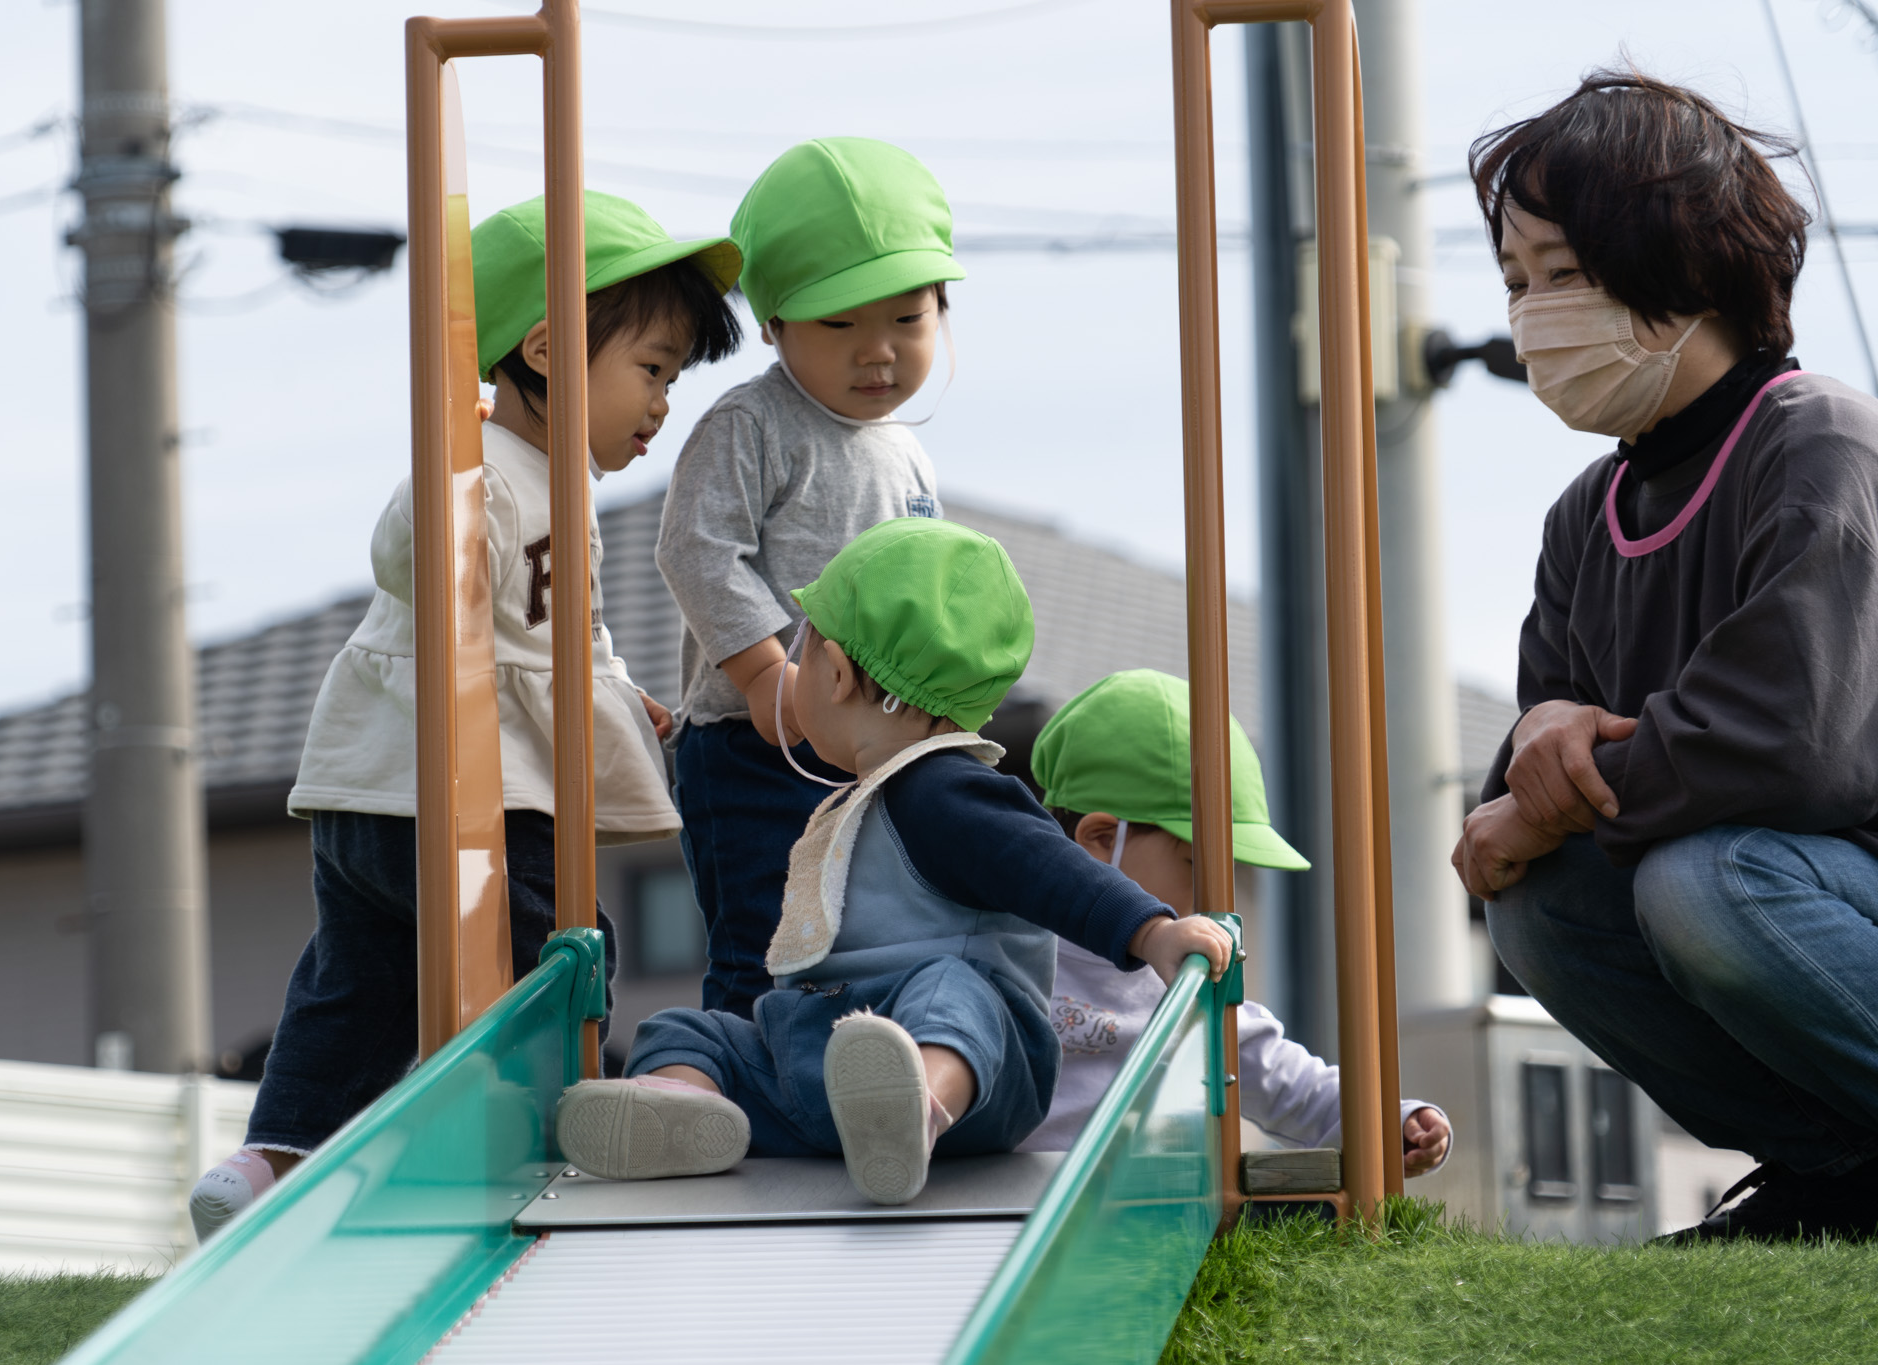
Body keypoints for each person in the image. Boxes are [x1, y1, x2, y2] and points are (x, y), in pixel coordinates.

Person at [188, 192, 744, 1239]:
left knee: (354, 989)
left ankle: (271, 1160)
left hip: (369, 787)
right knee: (561, 950)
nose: (662, 402)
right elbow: (413, 552)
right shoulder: (484, 471)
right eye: (651, 368)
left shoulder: (551, 482)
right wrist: (452, 472)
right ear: (546, 349)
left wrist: (621, 695)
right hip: (459, 791)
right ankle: (550, 1127)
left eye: (672, 378)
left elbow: (562, 632)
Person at [1450, 71, 1878, 1242]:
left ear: (1684, 265)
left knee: (1704, 879)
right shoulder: (1582, 517)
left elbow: (1782, 745)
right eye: (1514, 282)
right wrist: (1536, 749)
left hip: (1822, 879)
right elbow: (1536, 788)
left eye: (1561, 273)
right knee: (1540, 901)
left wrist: (1554, 777)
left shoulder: (1819, 445)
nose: (1531, 313)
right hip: (1780, 885)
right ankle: (1835, 1177)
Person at [554, 520, 1238, 1205]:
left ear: (836, 673)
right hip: (834, 1055)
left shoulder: (945, 788)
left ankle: (916, 1108)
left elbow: (1050, 868)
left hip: (980, 1072)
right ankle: (684, 1109)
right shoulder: (862, 796)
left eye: (802, 652)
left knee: (952, 987)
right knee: (689, 1029)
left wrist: (1151, 931)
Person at [656, 137, 964, 1018]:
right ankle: (711, 1071)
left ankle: (828, 1074)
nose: (878, 352)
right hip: (757, 743)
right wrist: (766, 676)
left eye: (907, 320)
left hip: (865, 747)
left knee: (856, 941)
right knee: (762, 940)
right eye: (839, 325)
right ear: (773, 324)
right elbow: (697, 548)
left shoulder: (907, 455)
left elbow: (917, 599)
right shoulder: (752, 423)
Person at [1020, 669, 1451, 1177]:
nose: (1212, 896)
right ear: (1100, 839)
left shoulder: (1197, 981)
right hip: (997, 1203)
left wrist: (1394, 1122)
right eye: (1193, 866)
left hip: (1149, 1208)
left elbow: (1292, 1087)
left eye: (1227, 873)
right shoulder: (1013, 948)